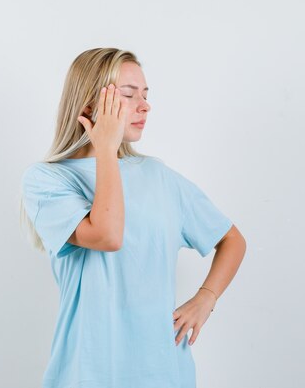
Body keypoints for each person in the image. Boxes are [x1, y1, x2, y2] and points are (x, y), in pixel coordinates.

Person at [19, 47, 246, 388]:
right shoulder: (47, 180)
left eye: (145, 94)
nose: (144, 105)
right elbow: (108, 235)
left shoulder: (159, 177)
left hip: (165, 371)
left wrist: (206, 298)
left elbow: (231, 240)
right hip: (88, 373)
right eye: (127, 95)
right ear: (88, 105)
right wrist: (106, 150)